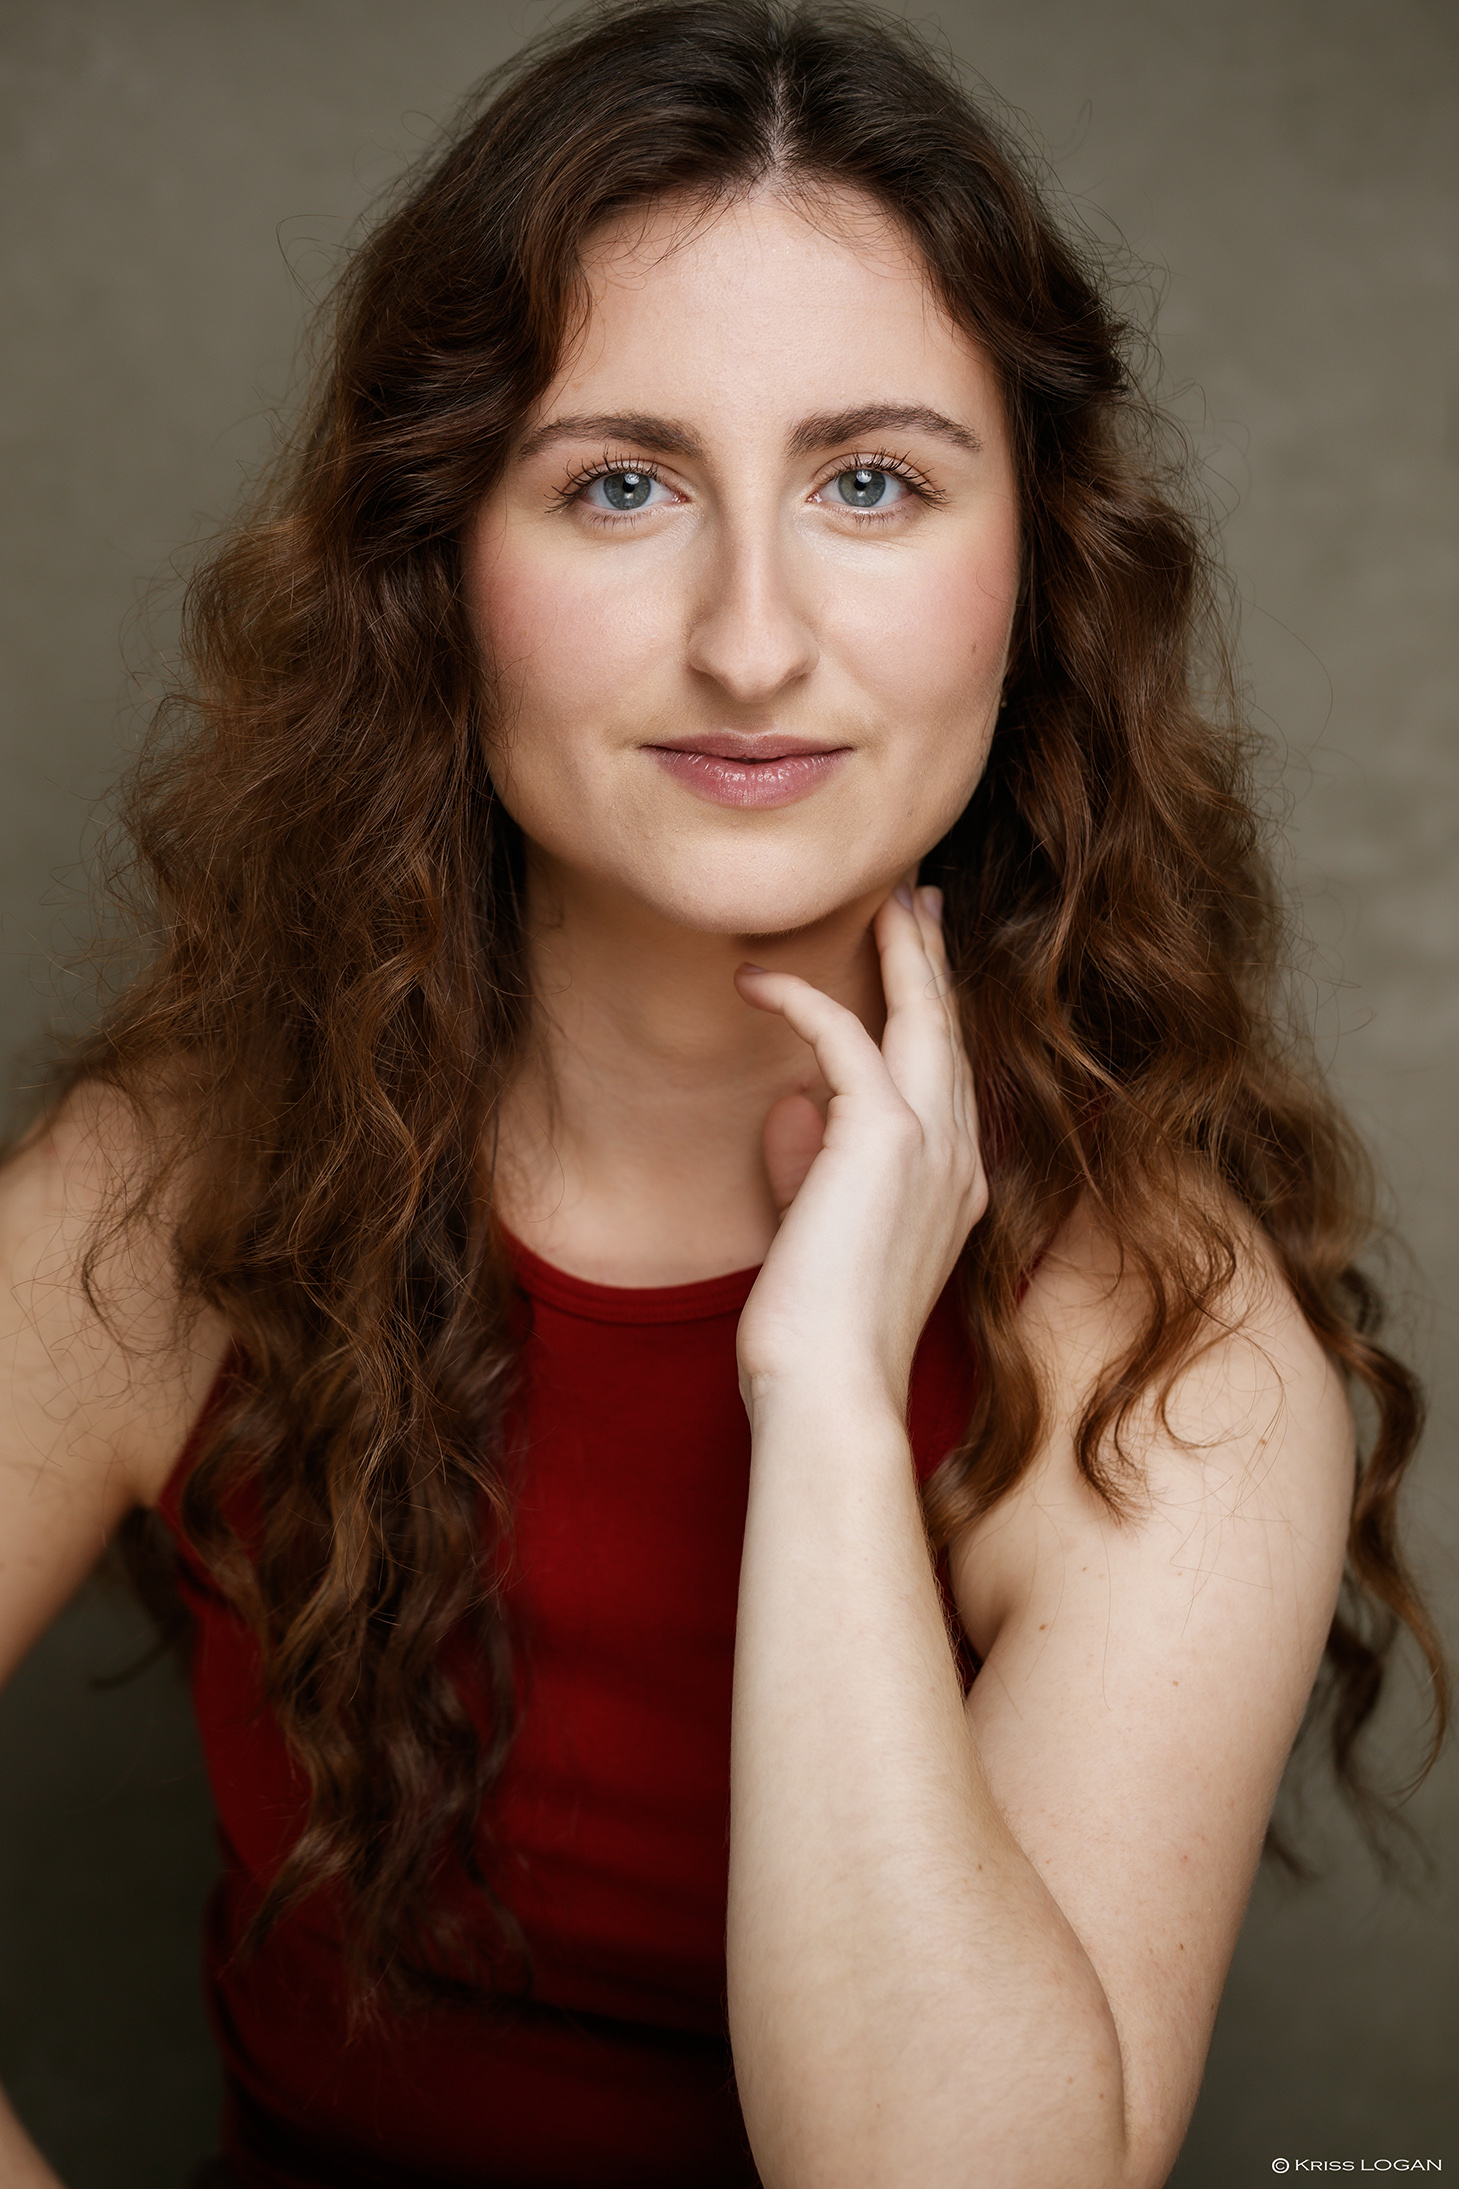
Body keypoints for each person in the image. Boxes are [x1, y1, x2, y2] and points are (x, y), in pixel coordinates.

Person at [0, 2, 1446, 2184]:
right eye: (620, 485)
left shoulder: (1173, 1362)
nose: (752, 642)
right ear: (438, 563)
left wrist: (830, 1403)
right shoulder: (178, 1188)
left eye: (872, 483)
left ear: (1036, 566)